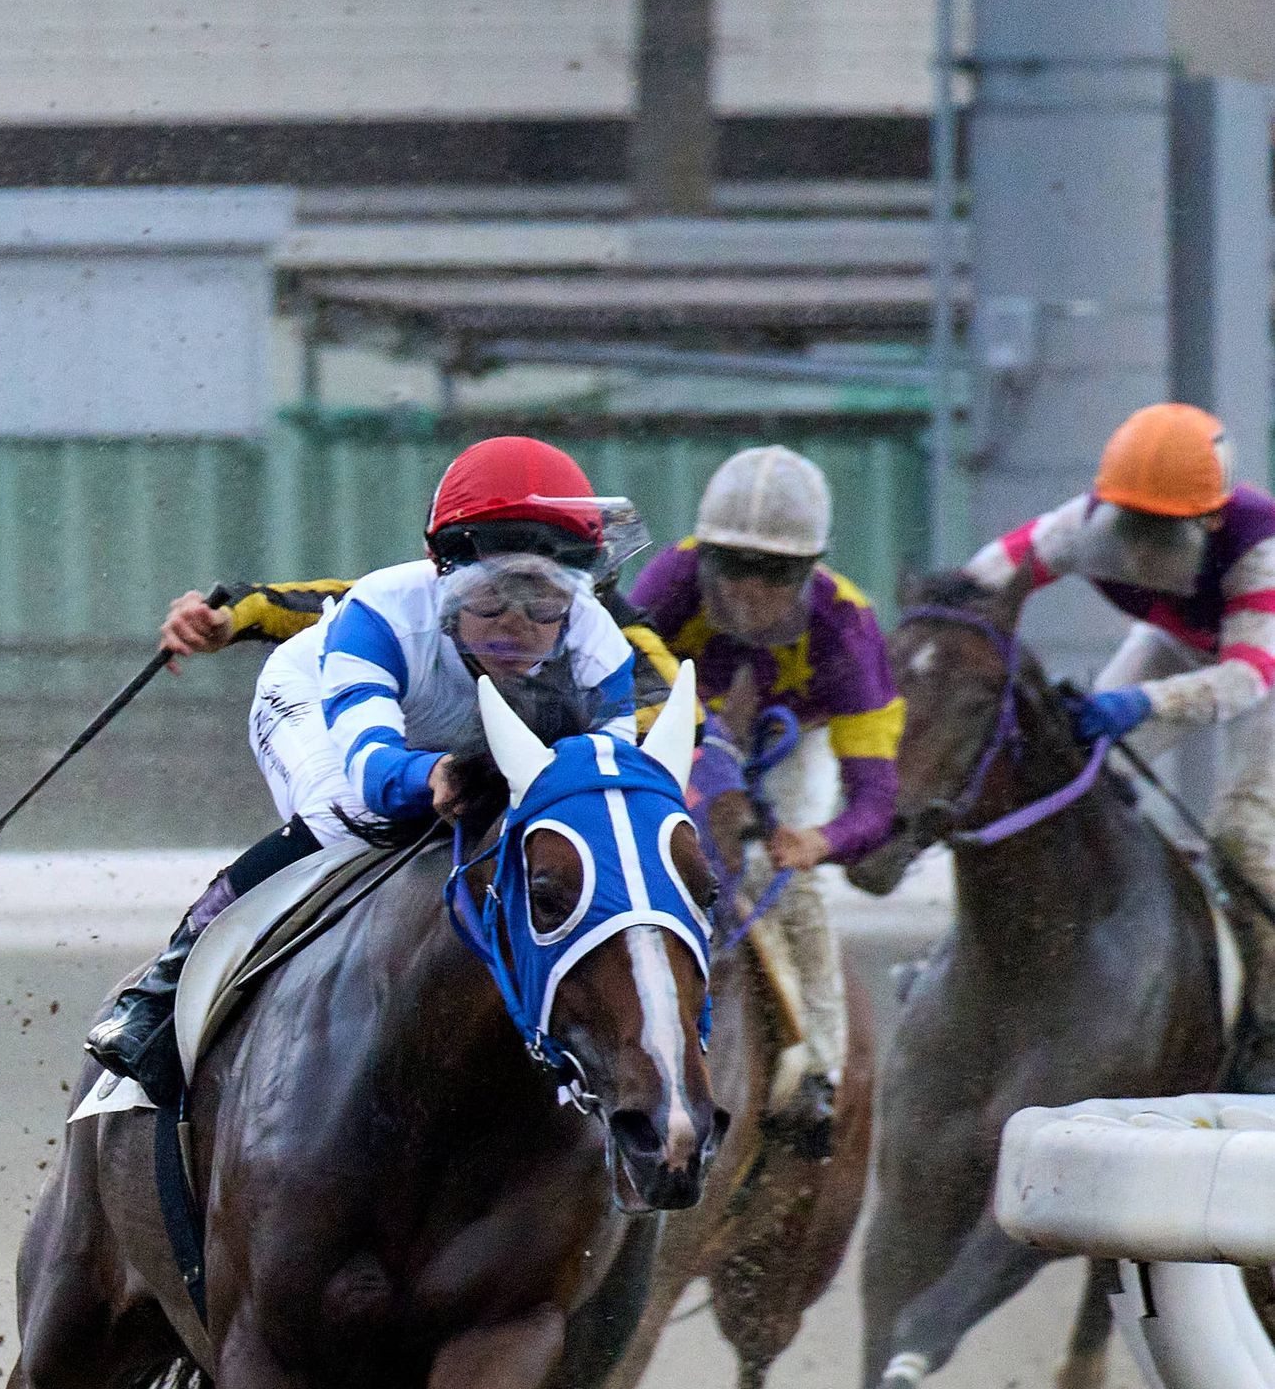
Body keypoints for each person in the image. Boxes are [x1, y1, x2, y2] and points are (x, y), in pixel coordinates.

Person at [85, 435, 643, 1098]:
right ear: (444, 576)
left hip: (457, 740)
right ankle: (161, 990)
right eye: (490, 598)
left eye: (544, 601)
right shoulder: (381, 612)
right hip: (317, 707)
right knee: (351, 817)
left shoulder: (600, 649)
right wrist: (432, 778)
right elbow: (373, 771)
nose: (515, 626)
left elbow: (605, 798)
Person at [625, 445, 904, 1149]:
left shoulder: (849, 629)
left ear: (811, 570)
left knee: (784, 879)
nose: (748, 591)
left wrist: (820, 841)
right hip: (687, 724)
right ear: (703, 554)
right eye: (731, 565)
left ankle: (821, 1070)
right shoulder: (671, 579)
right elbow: (619, 684)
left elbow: (876, 799)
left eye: (774, 572)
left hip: (792, 744)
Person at [959, 402, 1275, 901]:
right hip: (1177, 642)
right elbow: (977, 584)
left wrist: (1146, 701)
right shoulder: (1079, 523)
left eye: (1163, 528)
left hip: (1261, 669)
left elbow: (1247, 678)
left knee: (1244, 840)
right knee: (1071, 779)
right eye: (1130, 522)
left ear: (1214, 518)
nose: (1141, 549)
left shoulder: (1258, 546)